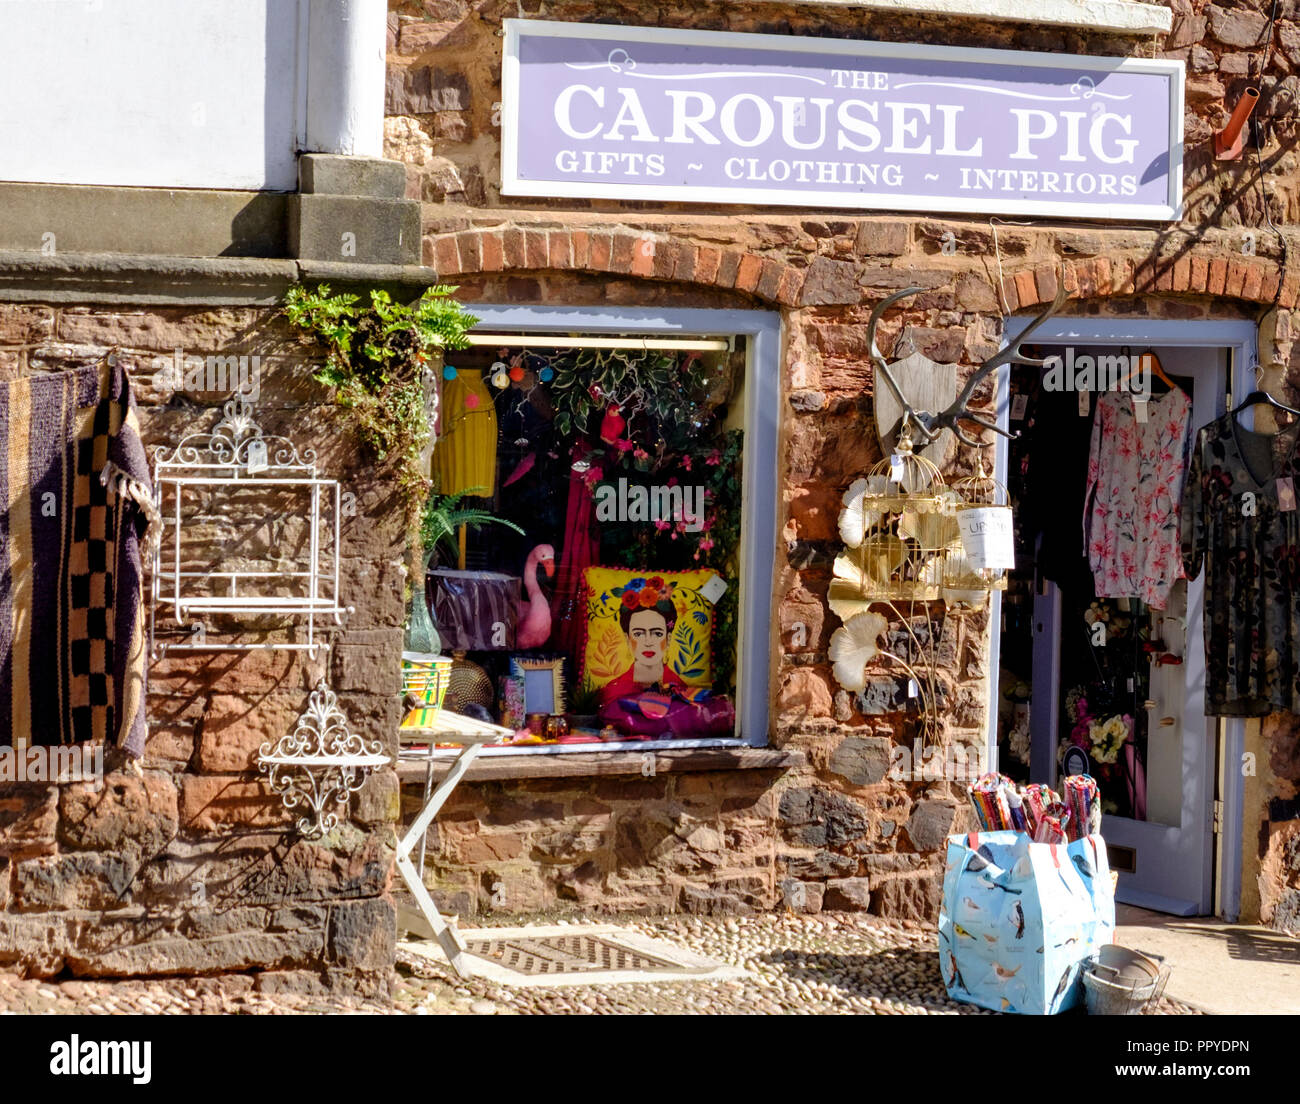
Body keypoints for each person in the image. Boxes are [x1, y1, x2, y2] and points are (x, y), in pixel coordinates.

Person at [597, 577, 686, 705]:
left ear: (668, 639)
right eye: (638, 633)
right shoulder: (613, 692)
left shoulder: (682, 690)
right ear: (628, 639)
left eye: (657, 633)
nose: (648, 642)